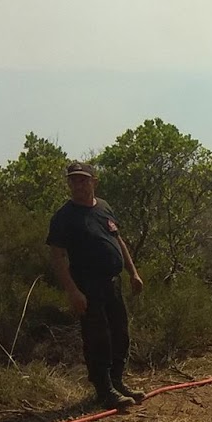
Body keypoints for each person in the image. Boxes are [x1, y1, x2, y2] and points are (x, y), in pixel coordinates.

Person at [46, 161, 147, 409]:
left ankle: (117, 382)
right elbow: (57, 257)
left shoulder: (104, 207)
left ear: (94, 182)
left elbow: (118, 240)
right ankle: (104, 390)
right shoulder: (64, 217)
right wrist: (73, 292)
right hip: (87, 286)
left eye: (83, 180)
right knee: (97, 338)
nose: (78, 185)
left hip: (113, 283)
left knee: (119, 334)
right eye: (73, 180)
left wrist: (133, 272)